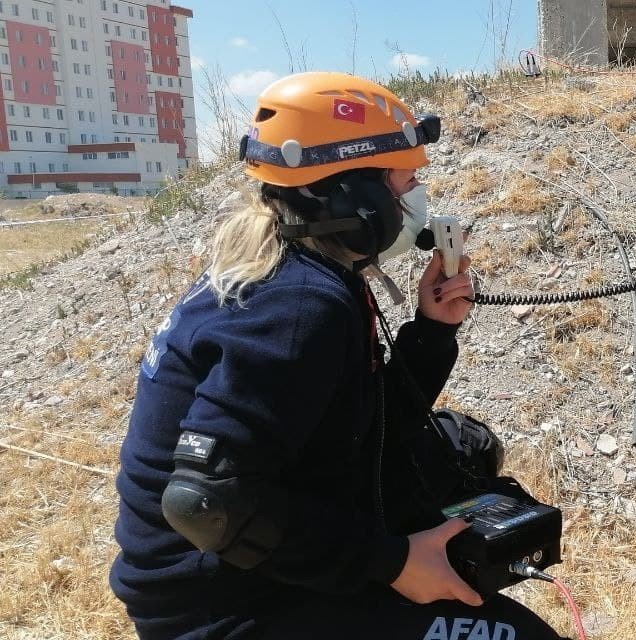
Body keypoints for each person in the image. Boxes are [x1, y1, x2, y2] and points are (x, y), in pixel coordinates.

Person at [109, 72, 562, 640]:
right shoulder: (298, 306)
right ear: (353, 193)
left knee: (459, 450)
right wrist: (393, 563)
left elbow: (357, 426)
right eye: (404, 185)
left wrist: (431, 331)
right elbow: (206, 500)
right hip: (229, 606)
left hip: (251, 569)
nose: (414, 201)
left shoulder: (299, 271)